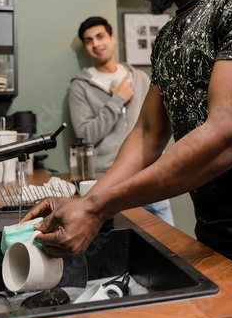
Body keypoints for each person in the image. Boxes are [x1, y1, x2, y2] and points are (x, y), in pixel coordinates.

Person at [22, 0, 232, 278]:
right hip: (214, 236)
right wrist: (86, 200)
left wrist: (100, 207)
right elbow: (148, 134)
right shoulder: (167, 38)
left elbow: (229, 138)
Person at [68, 16, 174, 225]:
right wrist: (117, 99)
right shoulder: (80, 87)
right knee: (122, 246)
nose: (96, 44)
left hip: (150, 176)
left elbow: (159, 124)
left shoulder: (141, 78)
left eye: (100, 36)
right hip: (109, 181)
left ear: (113, 39)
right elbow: (85, 136)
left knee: (170, 245)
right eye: (89, 41)